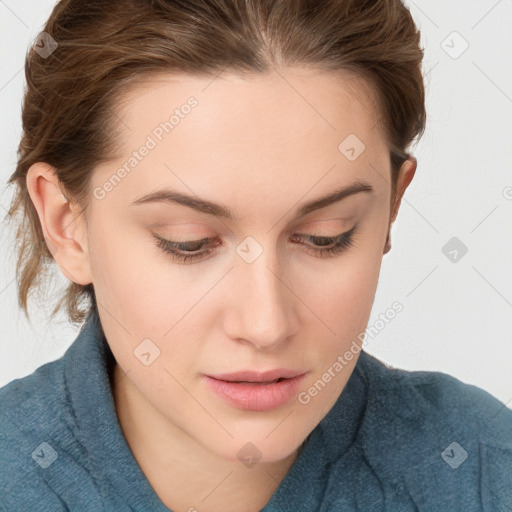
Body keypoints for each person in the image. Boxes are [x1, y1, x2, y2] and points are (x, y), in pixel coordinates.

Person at [1, 0, 511, 511]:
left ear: (393, 207)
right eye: (189, 242)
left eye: (325, 236)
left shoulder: (483, 472)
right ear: (67, 226)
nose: (266, 325)